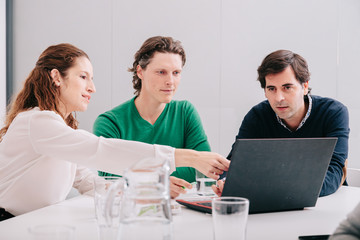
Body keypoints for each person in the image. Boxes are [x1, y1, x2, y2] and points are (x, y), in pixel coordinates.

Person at [0, 43, 230, 220]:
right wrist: (190, 157)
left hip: (32, 222)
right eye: (83, 77)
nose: (92, 87)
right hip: (9, 224)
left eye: (92, 78)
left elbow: (90, 182)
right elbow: (101, 150)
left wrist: (149, 191)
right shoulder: (38, 121)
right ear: (56, 77)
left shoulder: (57, 129)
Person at [212, 49, 349, 197]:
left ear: (304, 86)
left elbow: (335, 171)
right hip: (271, 204)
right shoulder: (257, 116)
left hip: (326, 203)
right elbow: (235, 164)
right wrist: (227, 183)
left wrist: (282, 189)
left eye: (287, 87)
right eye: (271, 89)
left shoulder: (333, 112)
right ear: (265, 91)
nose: (279, 98)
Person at [93, 36, 211, 198]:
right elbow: (111, 177)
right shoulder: (110, 122)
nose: (170, 81)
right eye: (161, 72)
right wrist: (157, 183)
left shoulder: (185, 111)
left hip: (181, 209)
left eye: (176, 73)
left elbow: (204, 168)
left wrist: (138, 177)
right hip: (129, 212)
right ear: (140, 71)